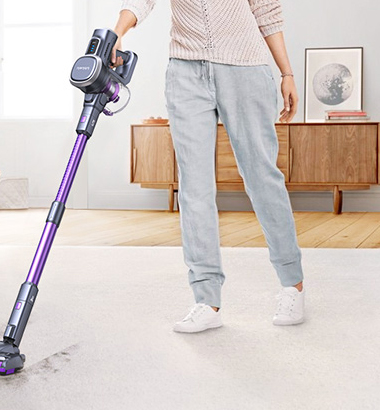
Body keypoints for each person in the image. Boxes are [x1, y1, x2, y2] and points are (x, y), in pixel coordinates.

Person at [114, 0, 305, 333]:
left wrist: (286, 72)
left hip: (245, 67)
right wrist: (117, 33)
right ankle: (206, 299)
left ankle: (293, 284)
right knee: (194, 187)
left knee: (262, 178)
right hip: (185, 72)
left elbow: (267, 10)